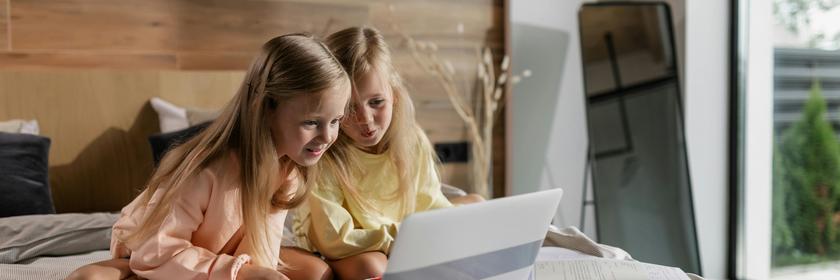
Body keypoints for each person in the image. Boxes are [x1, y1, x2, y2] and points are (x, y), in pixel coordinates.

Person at [66, 33, 350, 280]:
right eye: (311, 123)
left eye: (335, 121)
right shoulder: (205, 169)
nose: (327, 137)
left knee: (316, 272)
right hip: (151, 254)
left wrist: (253, 272)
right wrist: (241, 273)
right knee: (88, 277)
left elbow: (260, 249)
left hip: (219, 254)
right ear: (266, 109)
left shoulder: (290, 168)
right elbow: (155, 252)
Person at [281, 26, 483, 280]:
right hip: (344, 247)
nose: (365, 119)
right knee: (373, 266)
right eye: (349, 108)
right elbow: (333, 238)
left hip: (397, 237)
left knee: (476, 204)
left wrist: (429, 232)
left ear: (394, 95)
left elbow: (428, 204)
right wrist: (404, 237)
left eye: (376, 102)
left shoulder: (411, 140)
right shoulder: (323, 153)